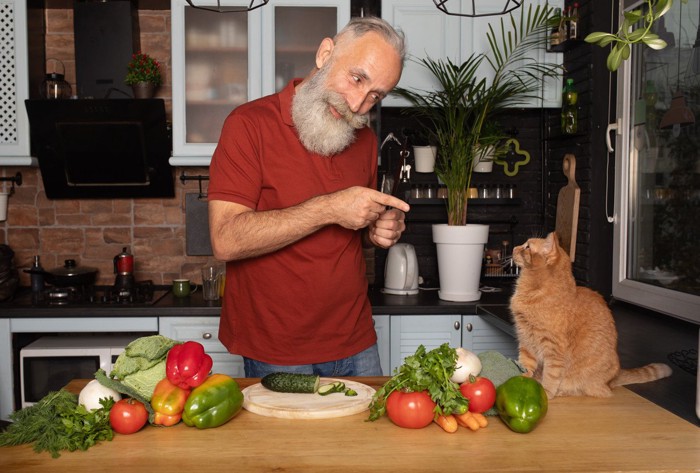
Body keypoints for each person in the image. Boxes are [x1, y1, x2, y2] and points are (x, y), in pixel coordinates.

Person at [207, 16, 409, 378]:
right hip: (277, 348)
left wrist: (377, 229)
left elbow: (353, 228)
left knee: (368, 437)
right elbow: (225, 240)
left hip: (357, 340)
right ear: (325, 53)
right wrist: (330, 207)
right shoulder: (248, 125)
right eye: (357, 78)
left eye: (376, 95)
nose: (358, 104)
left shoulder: (364, 141)